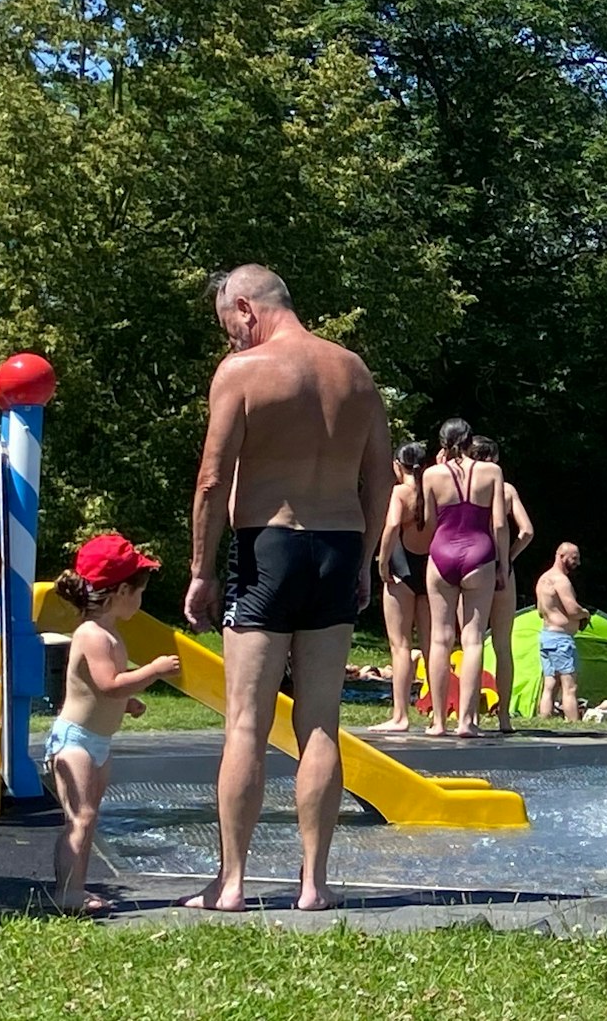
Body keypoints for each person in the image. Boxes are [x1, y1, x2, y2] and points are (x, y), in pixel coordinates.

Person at [184, 264, 390, 914]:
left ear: (245, 306)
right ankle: (314, 883)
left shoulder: (243, 373)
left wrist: (201, 570)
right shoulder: (353, 371)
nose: (232, 340)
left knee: (247, 721)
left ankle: (233, 882)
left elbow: (213, 480)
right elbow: (380, 478)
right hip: (336, 547)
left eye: (229, 326)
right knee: (320, 722)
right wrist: (364, 558)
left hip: (267, 546)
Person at [47, 535, 180, 913]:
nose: (140, 600)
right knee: (81, 817)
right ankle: (67, 893)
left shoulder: (107, 633)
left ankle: (76, 886)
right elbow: (108, 684)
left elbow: (99, 688)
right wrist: (152, 671)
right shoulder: (92, 634)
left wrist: (127, 701)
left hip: (96, 740)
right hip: (76, 741)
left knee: (88, 817)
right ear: (121, 590)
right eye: (139, 592)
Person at [420, 418, 508, 738]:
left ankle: (439, 722)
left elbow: (428, 521)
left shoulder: (431, 474)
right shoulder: (492, 472)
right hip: (480, 553)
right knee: (472, 640)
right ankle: (467, 722)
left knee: (440, 639)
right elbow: (499, 523)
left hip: (442, 552)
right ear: (471, 440)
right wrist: (501, 563)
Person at [466, 437, 535, 734]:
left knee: (472, 640)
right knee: (503, 644)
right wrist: (508, 557)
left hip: (470, 562)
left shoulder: (464, 487)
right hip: (501, 566)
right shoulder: (506, 490)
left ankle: (470, 715)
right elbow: (527, 531)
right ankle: (504, 717)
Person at [372, 442, 434, 732]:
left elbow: (392, 524)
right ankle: (438, 714)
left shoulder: (400, 492)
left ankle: (400, 715)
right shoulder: (434, 490)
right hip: (430, 567)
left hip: (402, 569)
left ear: (398, 465)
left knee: (400, 645)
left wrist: (382, 561)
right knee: (433, 645)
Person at [534, 542, 589, 720]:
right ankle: (574, 724)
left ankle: (545, 720)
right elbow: (572, 609)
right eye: (574, 558)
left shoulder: (543, 579)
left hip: (547, 636)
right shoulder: (561, 580)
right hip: (560, 639)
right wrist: (585, 613)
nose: (577, 562)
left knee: (550, 684)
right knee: (569, 686)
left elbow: (540, 610)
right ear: (561, 556)